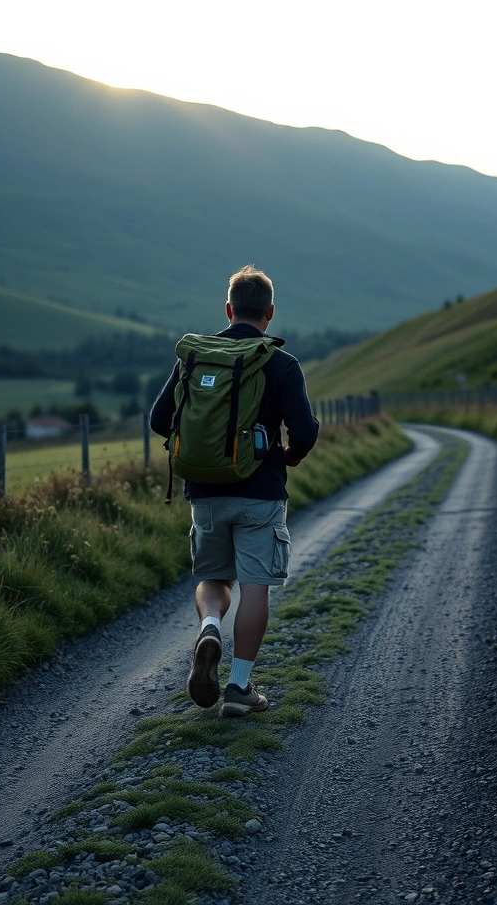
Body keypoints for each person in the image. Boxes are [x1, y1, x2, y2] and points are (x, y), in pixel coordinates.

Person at [150, 265, 320, 716]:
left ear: (228, 310)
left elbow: (158, 420)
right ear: (270, 313)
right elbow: (304, 430)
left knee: (214, 579)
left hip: (205, 491)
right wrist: (291, 454)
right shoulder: (280, 363)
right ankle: (239, 688)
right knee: (255, 587)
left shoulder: (194, 358)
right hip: (261, 492)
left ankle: (209, 626)